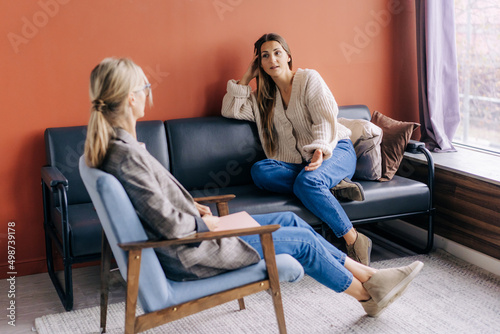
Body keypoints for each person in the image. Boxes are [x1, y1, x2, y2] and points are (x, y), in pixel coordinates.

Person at [84, 57, 423, 317]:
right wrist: (208, 223)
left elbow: (158, 205)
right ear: (130, 99)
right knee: (303, 242)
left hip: (194, 237)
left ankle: (370, 275)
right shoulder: (124, 155)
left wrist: (194, 208)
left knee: (293, 222)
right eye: (145, 89)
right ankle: (367, 296)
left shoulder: (120, 147)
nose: (148, 95)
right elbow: (168, 224)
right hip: (195, 249)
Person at [221, 33, 372, 266]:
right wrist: (247, 76)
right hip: (301, 165)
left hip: (335, 150)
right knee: (261, 171)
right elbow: (230, 109)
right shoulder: (263, 99)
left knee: (307, 182)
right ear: (259, 63)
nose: (272, 59)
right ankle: (330, 187)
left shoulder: (309, 79)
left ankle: (354, 239)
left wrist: (320, 150)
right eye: (265, 56)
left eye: (277, 52)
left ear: (288, 56)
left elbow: (325, 119)